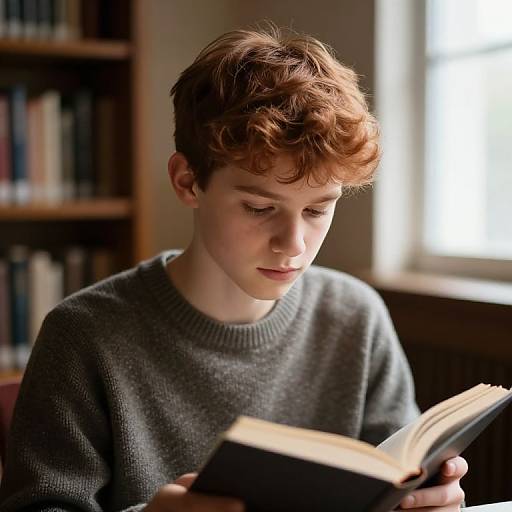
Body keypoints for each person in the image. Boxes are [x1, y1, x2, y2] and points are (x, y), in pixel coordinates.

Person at [0, 25, 467, 512]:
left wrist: (429, 500)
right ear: (188, 181)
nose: (294, 244)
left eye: (317, 210)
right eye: (260, 208)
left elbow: (394, 473)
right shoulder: (83, 335)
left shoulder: (356, 316)